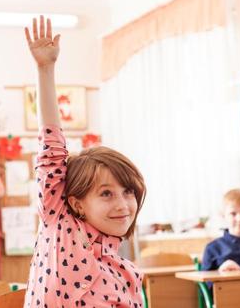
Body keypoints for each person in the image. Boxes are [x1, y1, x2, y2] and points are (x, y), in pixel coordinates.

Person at [23, 16, 147, 307]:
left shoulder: (127, 275)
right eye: (106, 193)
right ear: (77, 203)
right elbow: (50, 146)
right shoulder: (60, 222)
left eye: (128, 192)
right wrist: (45, 69)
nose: (122, 204)